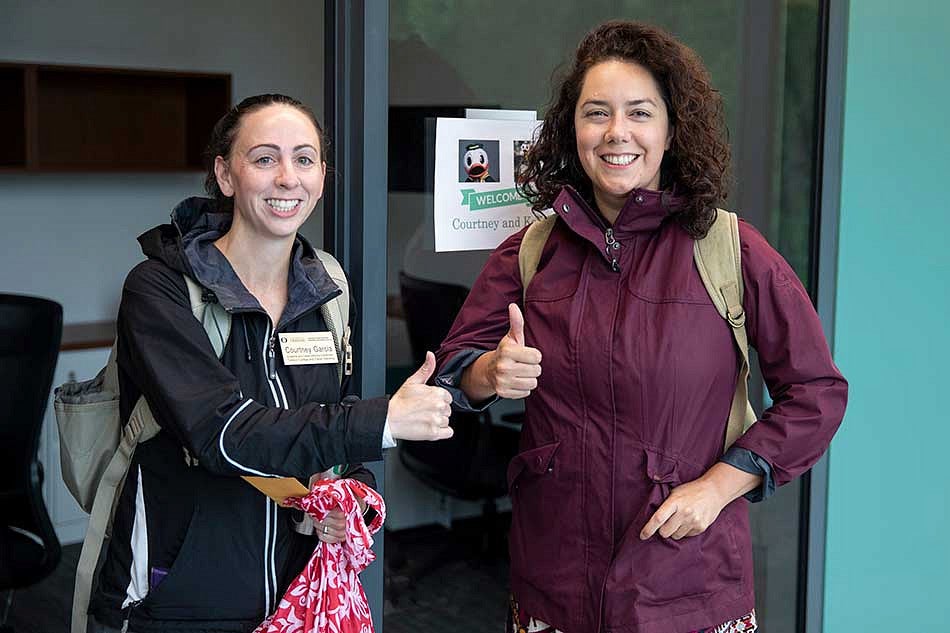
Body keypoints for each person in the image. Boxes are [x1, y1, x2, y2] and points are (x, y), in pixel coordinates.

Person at [434, 21, 847, 633]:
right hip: (555, 584)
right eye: (596, 113)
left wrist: (720, 486)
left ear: (672, 129)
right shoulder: (530, 251)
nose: (616, 133)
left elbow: (816, 392)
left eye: (640, 113)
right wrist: (488, 372)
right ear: (571, 131)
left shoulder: (731, 249)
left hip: (690, 583)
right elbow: (455, 368)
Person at [88, 94, 453, 633]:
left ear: (322, 178)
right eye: (264, 158)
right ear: (225, 174)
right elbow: (222, 431)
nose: (287, 178)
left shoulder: (326, 286)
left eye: (304, 159)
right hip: (175, 596)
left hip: (297, 593)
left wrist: (344, 491)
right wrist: (383, 422)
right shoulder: (160, 288)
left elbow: (332, 412)